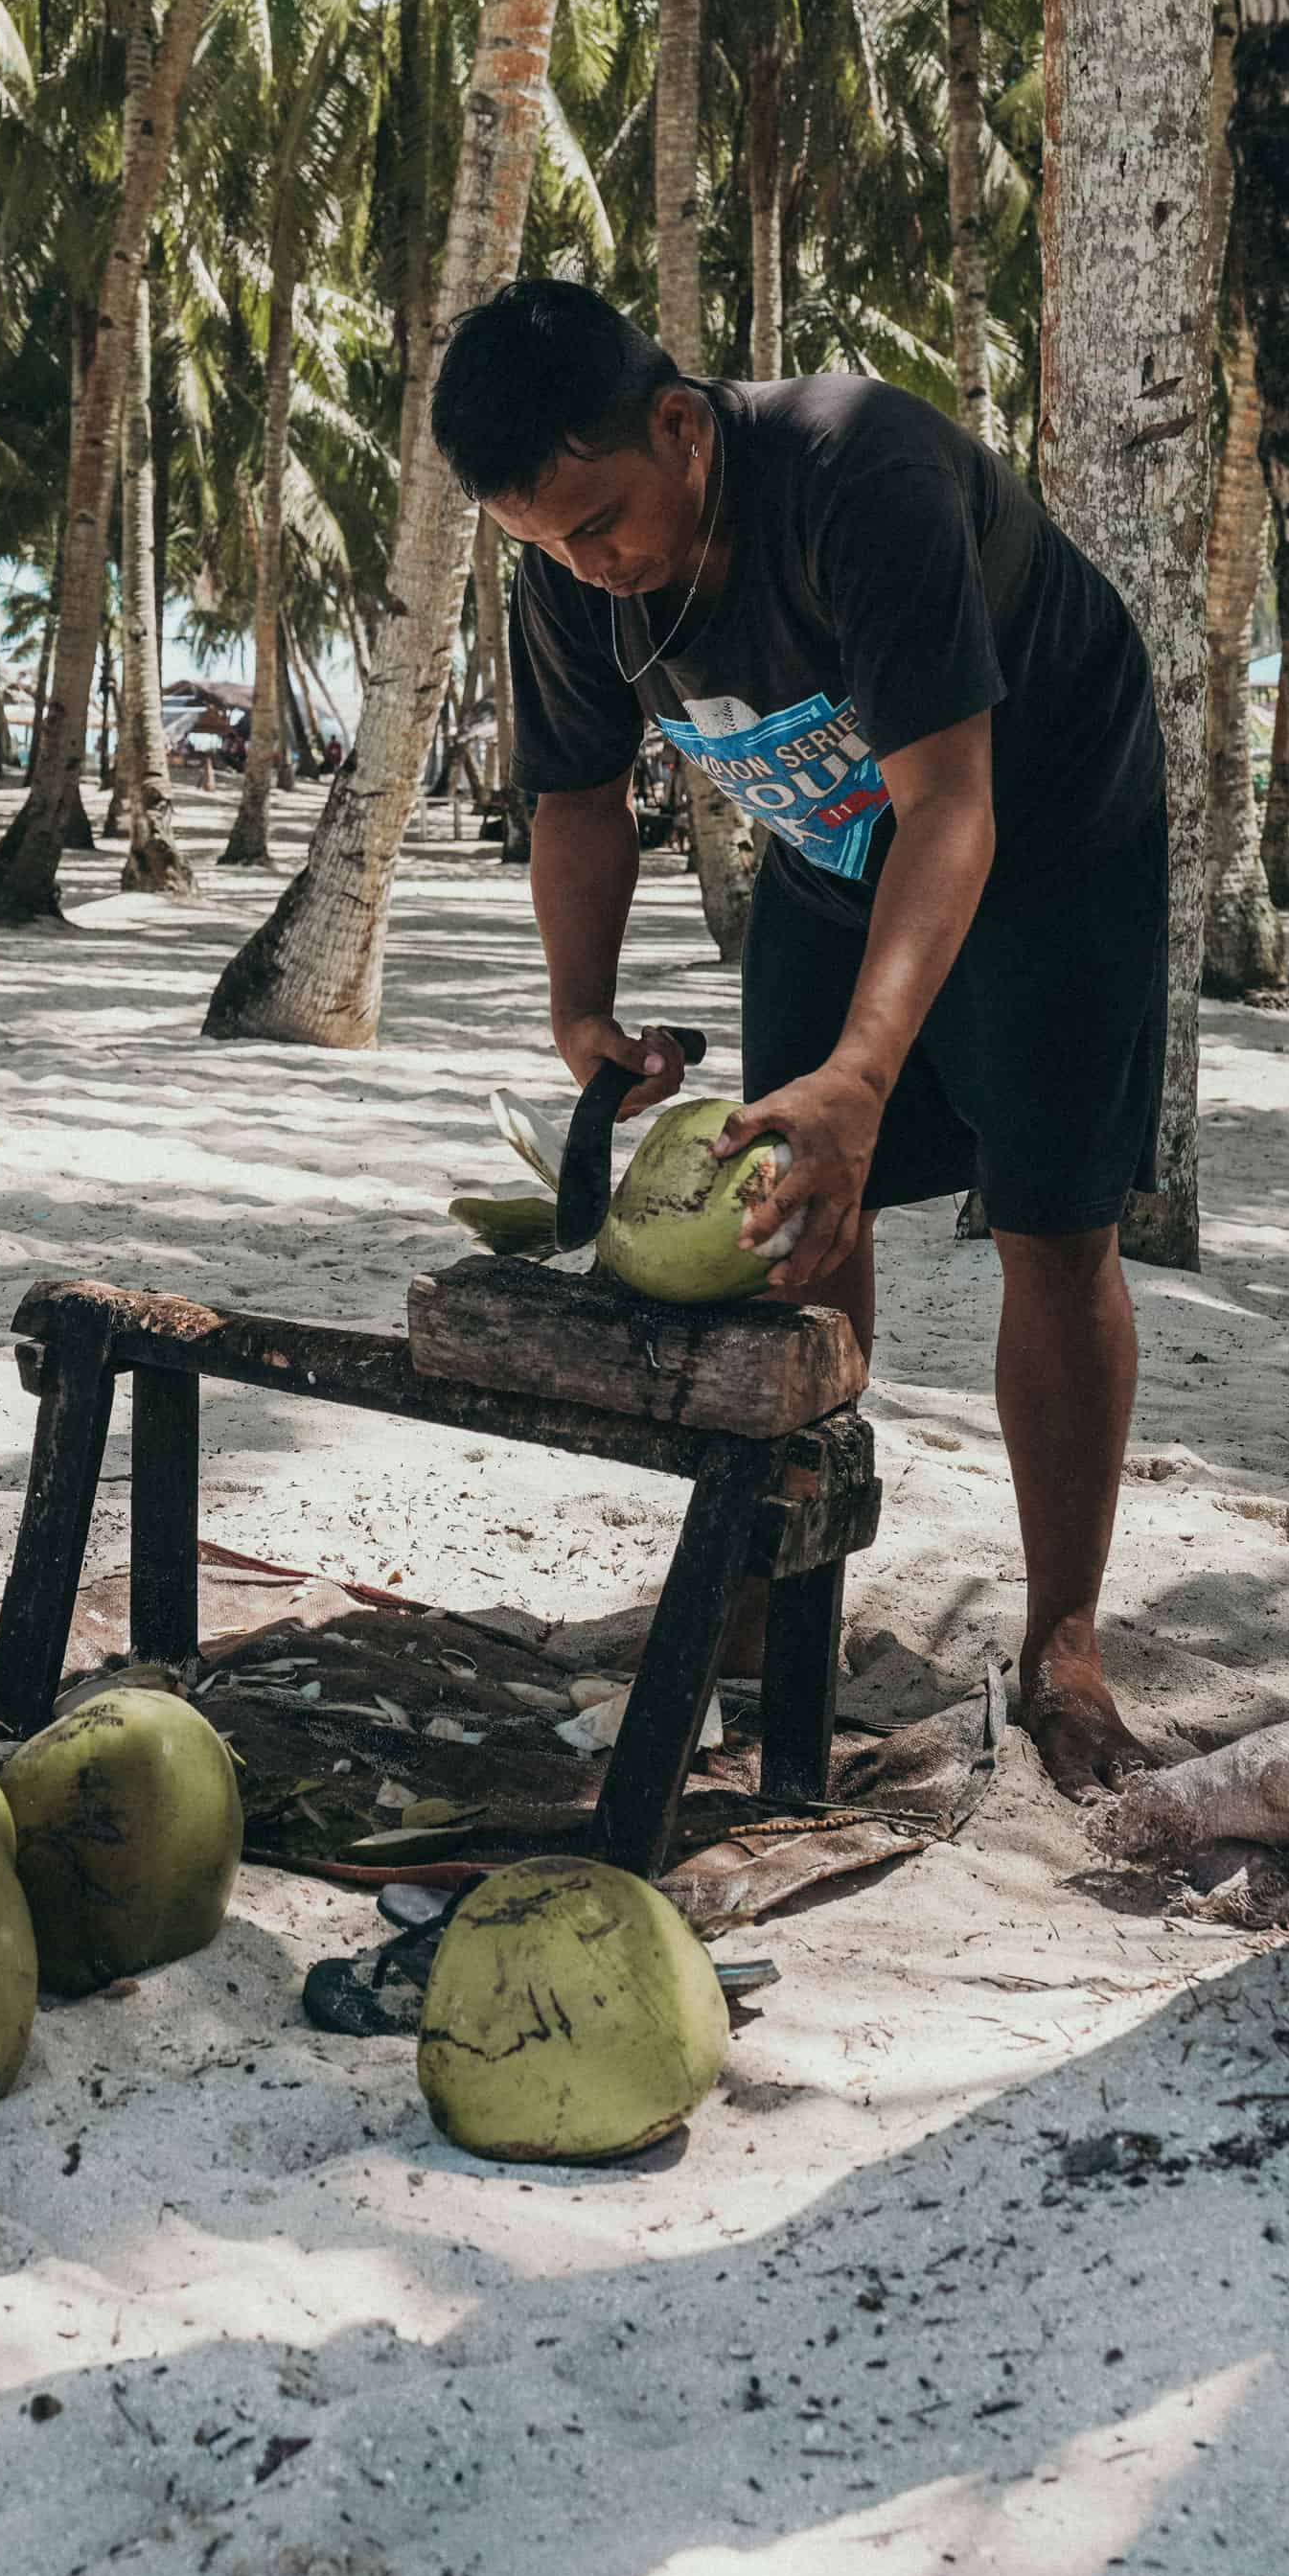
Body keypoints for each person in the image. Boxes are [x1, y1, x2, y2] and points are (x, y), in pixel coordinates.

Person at [429, 279, 1168, 1801]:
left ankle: (1068, 1643)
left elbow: (950, 808)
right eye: (550, 545)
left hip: (1043, 826)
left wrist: (862, 1075)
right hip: (832, 848)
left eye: (602, 523)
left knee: (1052, 1225)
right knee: (791, 1215)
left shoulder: (861, 477)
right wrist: (583, 1011)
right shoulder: (571, 569)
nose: (591, 568)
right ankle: (776, 1587)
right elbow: (575, 799)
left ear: (684, 428)